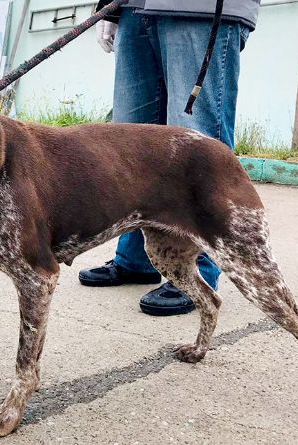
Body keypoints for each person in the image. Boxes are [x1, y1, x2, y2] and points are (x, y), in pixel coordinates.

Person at [80, 0, 261, 316]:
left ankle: (198, 268)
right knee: (131, 143)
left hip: (199, 9)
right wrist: (107, 7)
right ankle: (136, 257)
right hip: (134, 7)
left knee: (197, 145)